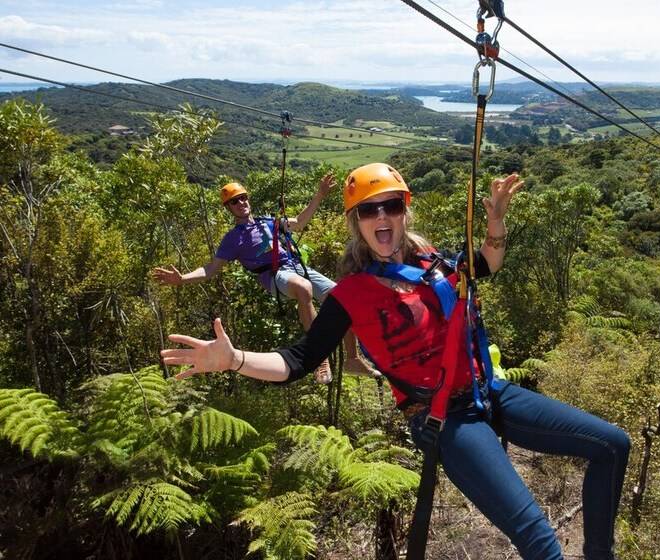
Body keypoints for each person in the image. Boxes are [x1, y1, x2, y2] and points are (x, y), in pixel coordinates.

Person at [161, 163, 631, 560]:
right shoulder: (350, 295)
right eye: (369, 209)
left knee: (612, 444)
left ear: (405, 211)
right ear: (356, 222)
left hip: (490, 391)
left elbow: (485, 263)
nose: (381, 216)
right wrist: (235, 358)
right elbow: (298, 361)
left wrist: (496, 222)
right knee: (540, 540)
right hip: (443, 416)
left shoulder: (430, 261)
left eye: (391, 205)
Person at [153, 173, 373, 384]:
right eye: (234, 202)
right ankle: (319, 358)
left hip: (295, 266)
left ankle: (352, 359)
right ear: (228, 208)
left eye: (243, 198)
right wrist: (182, 278)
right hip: (274, 275)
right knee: (303, 288)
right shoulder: (233, 239)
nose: (241, 203)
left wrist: (320, 195)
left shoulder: (268, 222)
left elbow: (299, 222)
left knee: (344, 297)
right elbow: (210, 269)